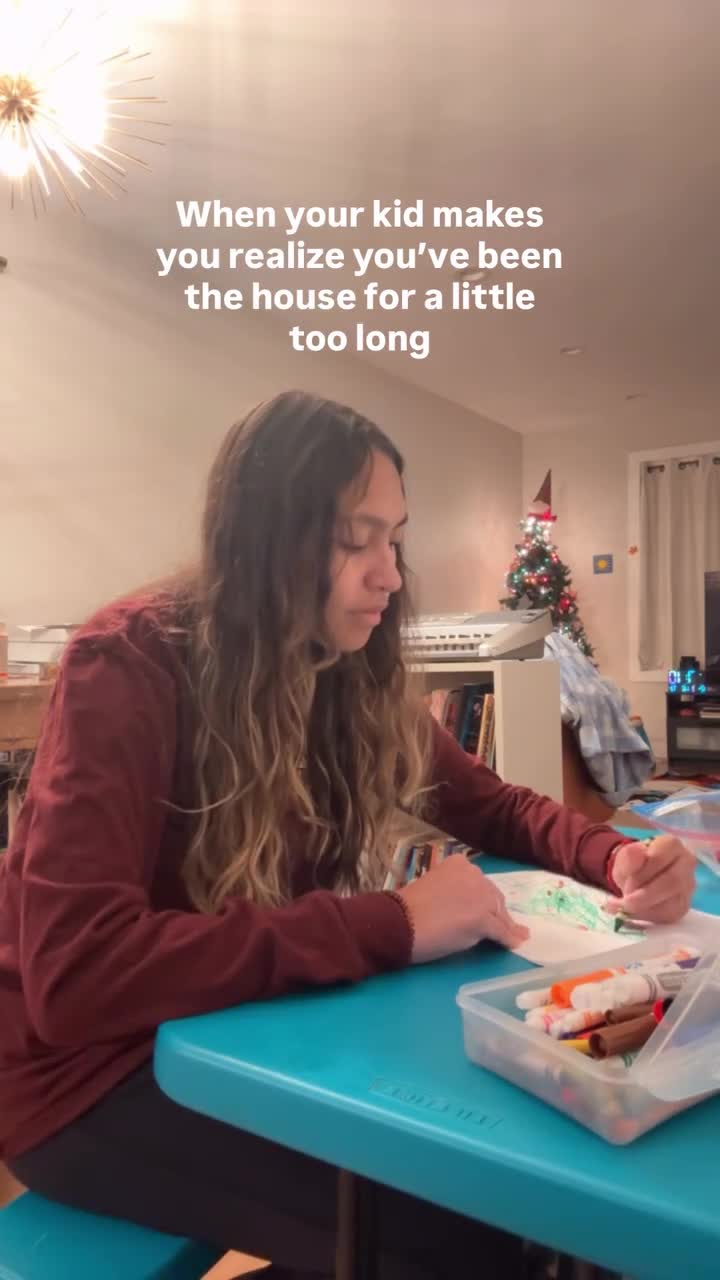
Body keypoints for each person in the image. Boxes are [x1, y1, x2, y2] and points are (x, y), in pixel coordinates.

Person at [0, 391, 695, 1279]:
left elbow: (492, 807)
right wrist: (392, 923)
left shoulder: (341, 669)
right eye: (353, 540)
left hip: (239, 1028)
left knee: (504, 1201)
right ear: (265, 541)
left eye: (393, 539)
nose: (390, 575)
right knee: (477, 1232)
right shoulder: (129, 662)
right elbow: (78, 976)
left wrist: (616, 855)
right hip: (87, 1081)